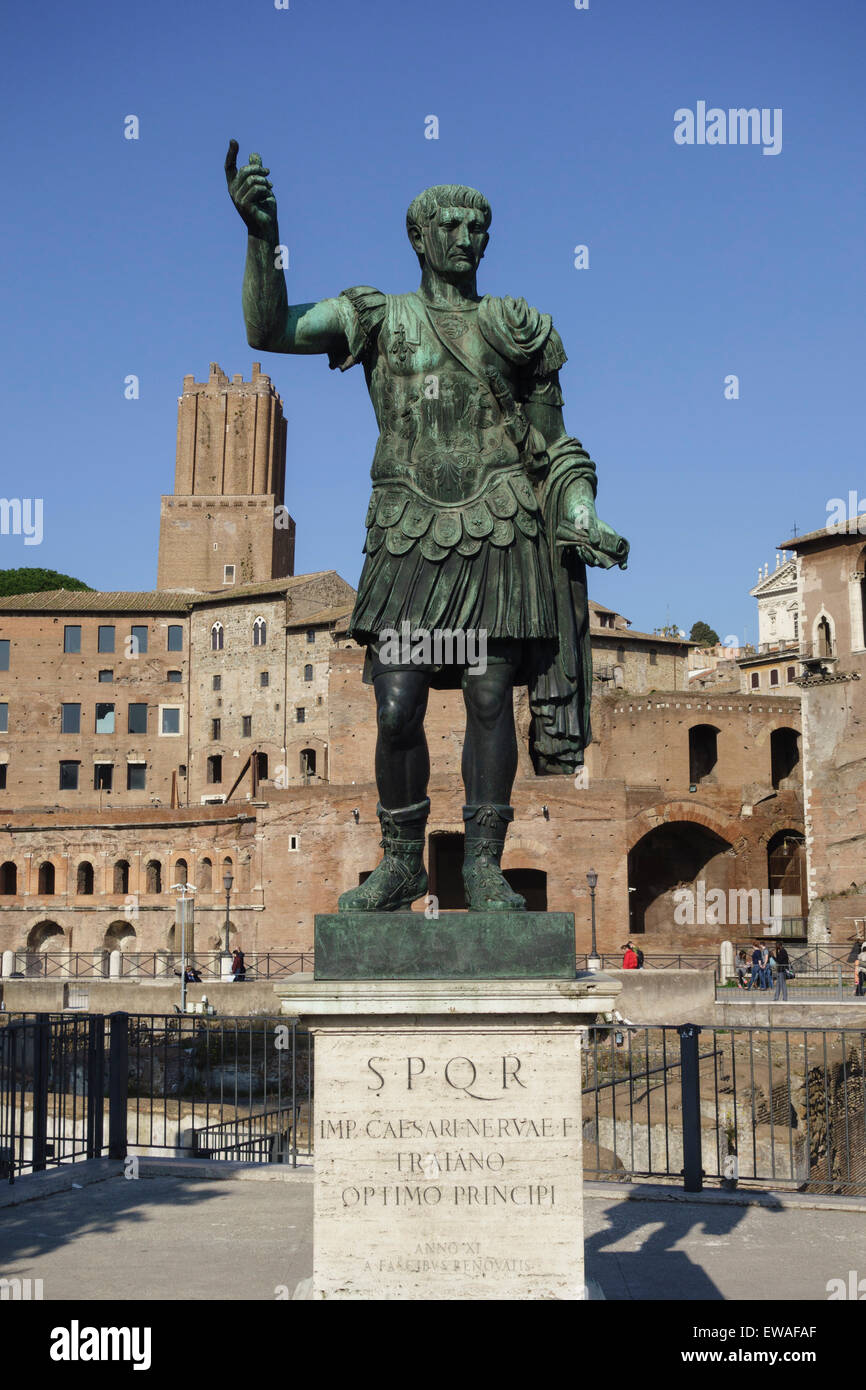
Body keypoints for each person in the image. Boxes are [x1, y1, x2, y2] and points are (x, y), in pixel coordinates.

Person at [225, 147, 629, 914]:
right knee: (395, 703)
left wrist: (580, 517)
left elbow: (556, 449)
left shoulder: (519, 329)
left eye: (478, 225)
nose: (465, 237)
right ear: (418, 237)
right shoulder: (377, 317)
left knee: (487, 696)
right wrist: (261, 237)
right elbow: (269, 329)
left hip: (499, 529)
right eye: (448, 224)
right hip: (412, 534)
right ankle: (404, 858)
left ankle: (482, 864)